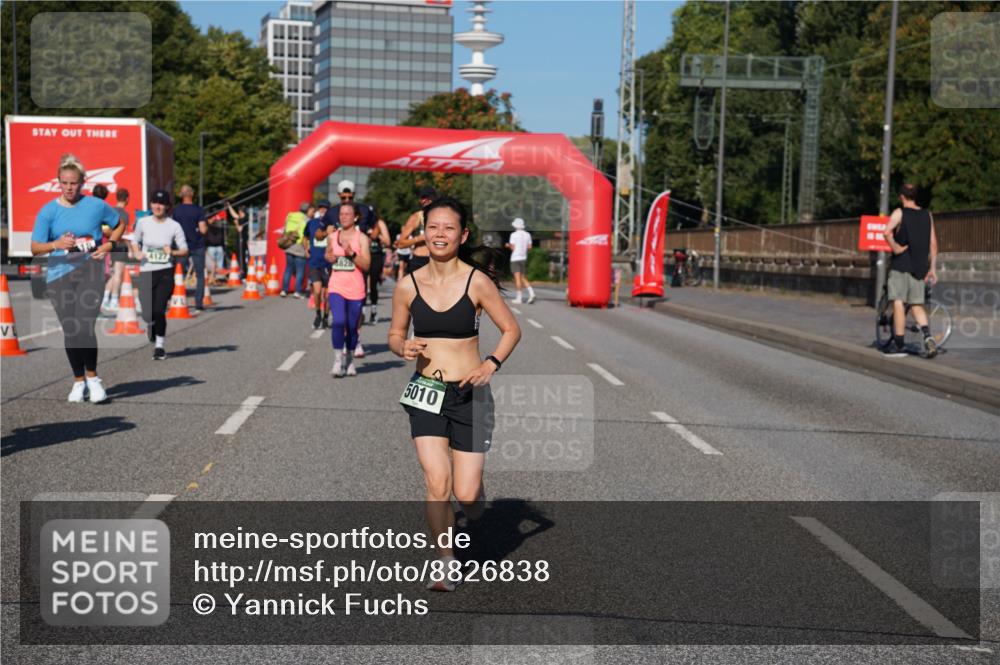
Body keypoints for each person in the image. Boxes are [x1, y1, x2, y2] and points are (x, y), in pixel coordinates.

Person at [388, 197, 520, 591]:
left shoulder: (475, 282)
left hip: (470, 394)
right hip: (425, 391)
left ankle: (475, 498)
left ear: (462, 236)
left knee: (467, 495)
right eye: (433, 227)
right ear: (423, 232)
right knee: (436, 482)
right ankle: (446, 562)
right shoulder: (407, 285)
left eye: (448, 228)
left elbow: (511, 330)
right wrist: (402, 347)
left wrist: (490, 364)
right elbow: (395, 334)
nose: (439, 234)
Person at [31, 153, 125, 403]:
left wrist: (109, 245)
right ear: (58, 182)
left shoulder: (95, 205)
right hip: (59, 275)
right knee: (71, 330)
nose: (69, 187)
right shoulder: (48, 211)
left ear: (81, 182)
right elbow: (35, 247)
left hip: (90, 271)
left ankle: (94, 379)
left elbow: (119, 223)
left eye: (73, 182)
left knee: (85, 325)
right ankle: (78, 381)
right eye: (64, 182)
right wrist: (56, 243)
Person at [882, 183, 939, 358]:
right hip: (920, 267)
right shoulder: (927, 215)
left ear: (902, 197)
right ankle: (928, 338)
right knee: (916, 304)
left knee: (898, 302)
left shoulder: (900, 213)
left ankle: (899, 345)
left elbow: (886, 232)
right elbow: (933, 244)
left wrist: (895, 247)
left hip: (901, 265)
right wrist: (933, 269)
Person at [131, 191, 189, 360]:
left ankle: (159, 346)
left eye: (161, 203)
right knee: (147, 312)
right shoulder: (143, 222)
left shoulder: (174, 226)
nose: (157, 206)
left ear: (167, 207)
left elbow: (184, 249)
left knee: (159, 309)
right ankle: (151, 324)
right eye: (155, 202)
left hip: (165, 270)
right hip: (146, 270)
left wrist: (172, 251)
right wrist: (136, 252)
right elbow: (135, 241)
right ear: (151, 205)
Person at [326, 201, 371, 377]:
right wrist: (329, 257)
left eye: (347, 214)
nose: (343, 216)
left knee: (352, 327)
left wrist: (351, 253)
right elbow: (329, 255)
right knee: (338, 321)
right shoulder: (332, 236)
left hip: (356, 287)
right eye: (341, 214)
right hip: (336, 285)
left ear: (356, 217)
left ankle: (350, 360)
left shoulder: (362, 238)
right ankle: (337, 361)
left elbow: (366, 265)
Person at [172, 185, 208, 311]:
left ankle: (177, 298)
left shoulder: (176, 211)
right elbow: (203, 229)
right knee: (200, 275)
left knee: (178, 273)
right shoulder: (198, 210)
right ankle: (199, 302)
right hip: (197, 245)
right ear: (192, 195)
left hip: (181, 246)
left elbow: (173, 229)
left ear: (181, 195)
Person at [101, 188, 131, 313]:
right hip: (120, 246)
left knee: (113, 274)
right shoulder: (125, 214)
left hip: (110, 245)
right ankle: (113, 300)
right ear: (127, 199)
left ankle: (105, 299)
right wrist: (130, 247)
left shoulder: (110, 211)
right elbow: (124, 233)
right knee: (118, 274)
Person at [396, 186, 436, 274]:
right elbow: (400, 244)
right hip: (419, 261)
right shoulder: (417, 217)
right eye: (422, 198)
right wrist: (419, 238)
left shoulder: (442, 216)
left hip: (437, 263)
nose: (424, 200)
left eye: (427, 197)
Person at [306, 200, 333, 329]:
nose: (323, 210)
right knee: (317, 292)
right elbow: (305, 237)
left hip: (328, 264)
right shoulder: (311, 223)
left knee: (327, 295)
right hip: (315, 262)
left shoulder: (333, 225)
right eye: (321, 208)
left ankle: (326, 317)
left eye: (325, 208)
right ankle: (317, 314)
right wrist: (306, 249)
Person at [281, 202, 310, 298]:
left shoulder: (290, 215)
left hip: (289, 245)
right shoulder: (306, 219)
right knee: (300, 270)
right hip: (299, 246)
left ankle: (284, 290)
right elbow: (307, 234)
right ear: (307, 210)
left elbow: (285, 228)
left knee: (288, 269)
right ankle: (297, 291)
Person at [506, 217, 536, 304]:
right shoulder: (527, 235)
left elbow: (513, 247)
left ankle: (519, 298)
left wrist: (508, 245)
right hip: (523, 258)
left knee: (517, 278)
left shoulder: (513, 235)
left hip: (515, 258)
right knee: (522, 277)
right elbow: (529, 247)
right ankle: (531, 293)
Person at [227, 202, 250, 276]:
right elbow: (234, 215)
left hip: (242, 240)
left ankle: (243, 272)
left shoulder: (244, 219)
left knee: (241, 256)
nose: (238, 213)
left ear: (241, 212)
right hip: (240, 240)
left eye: (239, 212)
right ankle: (242, 271)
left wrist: (236, 223)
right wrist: (229, 206)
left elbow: (239, 229)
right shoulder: (242, 218)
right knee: (239, 255)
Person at [205, 211, 226, 284]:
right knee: (214, 265)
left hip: (216, 246)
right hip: (213, 247)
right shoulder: (210, 225)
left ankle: (216, 279)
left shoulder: (216, 225)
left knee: (217, 265)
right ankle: (214, 278)